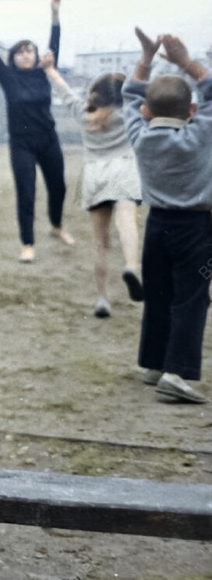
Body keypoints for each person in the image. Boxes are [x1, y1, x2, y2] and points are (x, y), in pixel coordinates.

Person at [123, 28, 212, 404]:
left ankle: (154, 363)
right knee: (191, 298)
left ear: (146, 111)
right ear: (190, 111)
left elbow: (128, 96)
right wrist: (185, 62)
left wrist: (146, 59)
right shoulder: (202, 133)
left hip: (157, 224)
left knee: (158, 294)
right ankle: (177, 372)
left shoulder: (141, 137)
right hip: (197, 226)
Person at [0, 0, 74, 263]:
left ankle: (57, 226)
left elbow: (54, 44)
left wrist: (55, 13)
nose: (26, 55)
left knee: (58, 187)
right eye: (20, 52)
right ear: (13, 58)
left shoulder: (43, 73)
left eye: (30, 51)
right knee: (26, 191)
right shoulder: (8, 77)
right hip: (22, 143)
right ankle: (27, 244)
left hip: (48, 139)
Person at [41, 51, 143, 319]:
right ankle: (132, 266)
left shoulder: (83, 114)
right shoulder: (127, 114)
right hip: (123, 172)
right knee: (127, 222)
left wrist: (51, 70)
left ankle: (102, 299)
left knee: (101, 241)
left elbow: (64, 92)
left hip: (94, 177)